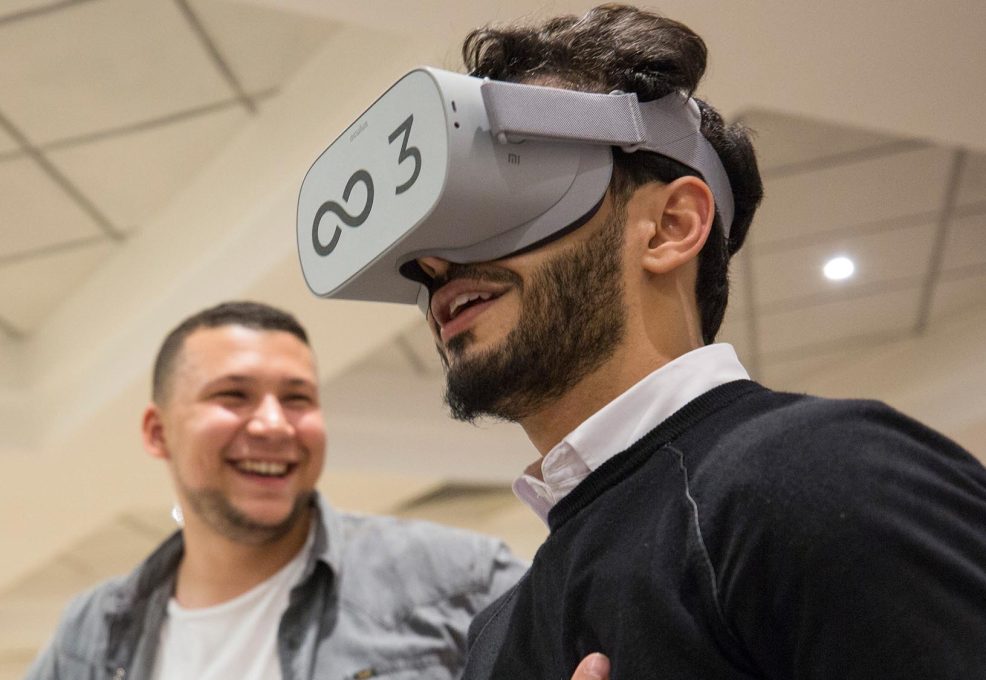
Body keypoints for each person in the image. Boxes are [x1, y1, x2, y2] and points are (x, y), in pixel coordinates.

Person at [409, 5, 986, 679]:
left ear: (670, 227)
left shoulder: (818, 475)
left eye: (505, 194)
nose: (435, 264)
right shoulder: (495, 635)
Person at [25, 300, 529, 680]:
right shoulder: (95, 630)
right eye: (233, 395)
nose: (274, 424)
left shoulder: (454, 578)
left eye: (297, 398)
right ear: (158, 432)